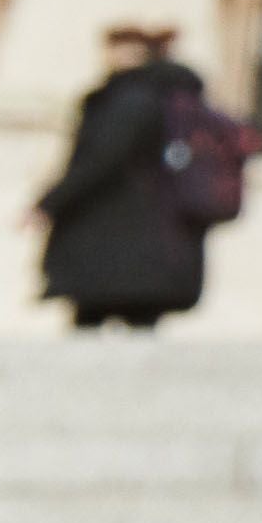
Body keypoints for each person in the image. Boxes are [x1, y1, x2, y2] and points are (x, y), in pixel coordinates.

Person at [35, 21, 218, 336]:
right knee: (140, 327)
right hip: (155, 238)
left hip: (113, 234)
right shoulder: (168, 96)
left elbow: (102, 160)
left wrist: (51, 202)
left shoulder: (129, 100)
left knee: (90, 327)